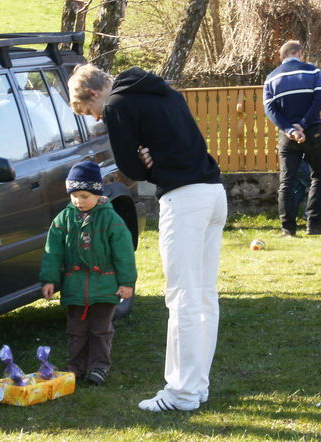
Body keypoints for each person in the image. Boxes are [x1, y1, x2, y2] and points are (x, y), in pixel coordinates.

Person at [68, 64, 227, 412]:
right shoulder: (162, 90)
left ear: (94, 93)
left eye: (88, 111)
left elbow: (130, 169)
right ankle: (197, 387)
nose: (95, 119)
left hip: (184, 199)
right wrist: (150, 155)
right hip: (214, 193)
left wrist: (147, 163)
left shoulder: (117, 105)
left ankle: (181, 393)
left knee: (182, 298)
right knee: (202, 297)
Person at [39, 160, 137, 386]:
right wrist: (50, 279)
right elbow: (52, 252)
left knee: (101, 330)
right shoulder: (63, 219)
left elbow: (124, 253)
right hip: (75, 286)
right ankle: (75, 367)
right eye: (74, 195)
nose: (78, 201)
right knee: (76, 330)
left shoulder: (110, 219)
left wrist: (126, 282)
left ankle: (99, 367)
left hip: (104, 286)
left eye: (84, 196)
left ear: (96, 194)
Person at [263, 40, 321, 236]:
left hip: (287, 136)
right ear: (300, 53)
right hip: (312, 131)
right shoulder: (313, 72)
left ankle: (288, 229)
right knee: (318, 176)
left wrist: (289, 128)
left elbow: (270, 109)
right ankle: (314, 223)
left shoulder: (270, 78)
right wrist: (302, 125)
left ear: (282, 56)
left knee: (286, 181)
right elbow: (319, 99)